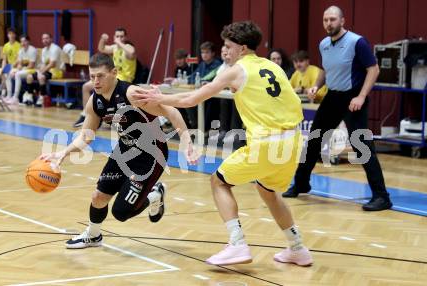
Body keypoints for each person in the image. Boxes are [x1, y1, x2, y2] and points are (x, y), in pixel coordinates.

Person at [132, 21, 313, 267]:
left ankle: (237, 244)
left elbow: (191, 99)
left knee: (218, 182)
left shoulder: (236, 70)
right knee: (268, 191)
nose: (225, 51)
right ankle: (298, 248)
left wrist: (159, 97)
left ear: (244, 48)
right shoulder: (274, 67)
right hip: (293, 140)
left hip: (268, 141)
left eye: (229, 46)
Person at [40, 53, 196, 248]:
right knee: (98, 197)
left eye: (100, 76)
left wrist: (187, 142)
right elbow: (86, 136)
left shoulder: (131, 94)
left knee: (121, 212)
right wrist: (62, 153)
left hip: (150, 156)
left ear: (114, 72)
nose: (95, 81)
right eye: (92, 77)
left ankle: (154, 195)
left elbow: (172, 111)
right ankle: (93, 235)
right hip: (124, 151)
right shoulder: (94, 102)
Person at [282, 6, 393, 212]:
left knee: (362, 147)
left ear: (342, 21)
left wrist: (361, 96)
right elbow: (326, 69)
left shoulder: (357, 42)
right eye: (325, 20)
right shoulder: (324, 44)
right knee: (314, 141)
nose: (328, 23)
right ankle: (301, 184)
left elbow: (373, 69)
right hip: (332, 97)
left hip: (353, 98)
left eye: (332, 19)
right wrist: (317, 85)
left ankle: (382, 197)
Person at [74, 28, 136, 127]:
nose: (119, 38)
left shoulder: (128, 47)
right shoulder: (115, 48)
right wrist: (103, 39)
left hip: (124, 80)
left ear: (125, 37)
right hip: (110, 77)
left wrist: (119, 43)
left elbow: (132, 53)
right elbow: (101, 49)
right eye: (117, 36)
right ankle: (87, 114)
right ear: (114, 37)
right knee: (86, 86)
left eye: (121, 36)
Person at [22, 33, 63, 106]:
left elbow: (52, 64)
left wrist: (40, 72)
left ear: (51, 39)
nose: (45, 40)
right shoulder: (44, 50)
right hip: (47, 71)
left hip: (56, 71)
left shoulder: (55, 48)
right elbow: (44, 64)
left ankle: (42, 97)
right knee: (29, 77)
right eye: (43, 39)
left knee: (41, 77)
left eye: (47, 38)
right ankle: (30, 97)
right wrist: (39, 71)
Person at [4, 35, 37, 105]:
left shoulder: (32, 50)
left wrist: (19, 71)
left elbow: (31, 65)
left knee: (17, 74)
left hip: (32, 70)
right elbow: (19, 64)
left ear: (28, 41)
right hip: (24, 70)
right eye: (21, 42)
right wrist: (16, 69)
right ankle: (9, 95)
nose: (23, 43)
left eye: (25, 41)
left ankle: (15, 98)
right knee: (7, 73)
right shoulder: (21, 50)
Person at [0, 28, 20, 94]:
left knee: (5, 74)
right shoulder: (6, 46)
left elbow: (18, 60)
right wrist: (3, 68)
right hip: (8, 66)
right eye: (9, 34)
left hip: (15, 67)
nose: (11, 35)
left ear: (15, 35)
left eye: (13, 34)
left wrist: (8, 68)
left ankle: (4, 93)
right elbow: (4, 60)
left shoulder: (18, 45)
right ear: (7, 35)